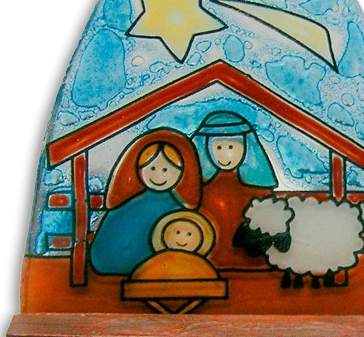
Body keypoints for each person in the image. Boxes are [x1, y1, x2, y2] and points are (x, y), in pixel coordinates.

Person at [89, 129, 201, 276]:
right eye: (152, 168)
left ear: (182, 171)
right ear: (139, 169)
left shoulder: (178, 209)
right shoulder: (129, 207)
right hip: (120, 268)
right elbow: (104, 251)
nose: (159, 175)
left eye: (166, 169)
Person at [193, 110, 277, 267]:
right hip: (208, 258)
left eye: (231, 147)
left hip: (250, 260)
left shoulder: (258, 189)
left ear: (246, 147)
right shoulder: (199, 187)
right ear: (207, 148)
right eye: (219, 147)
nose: (225, 154)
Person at [127, 210, 221, 284]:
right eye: (177, 232)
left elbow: (213, 285)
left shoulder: (202, 267)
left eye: (189, 234)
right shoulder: (157, 262)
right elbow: (140, 281)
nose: (181, 238)